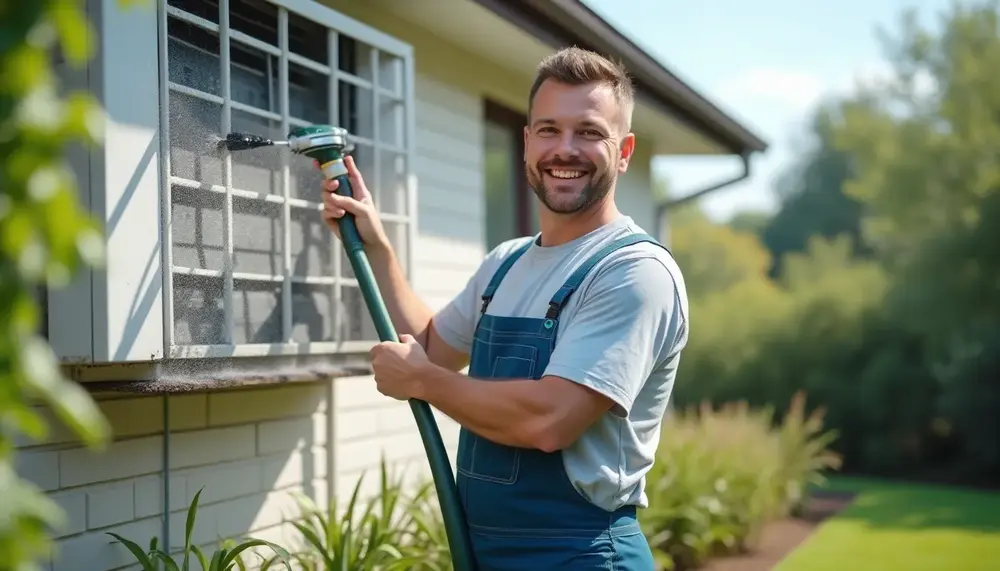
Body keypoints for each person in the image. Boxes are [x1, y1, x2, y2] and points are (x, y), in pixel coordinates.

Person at [320, 46, 689, 571]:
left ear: (624, 150)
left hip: (580, 556)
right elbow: (430, 352)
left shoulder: (634, 272)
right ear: (526, 142)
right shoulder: (506, 263)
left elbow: (550, 419)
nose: (565, 150)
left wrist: (422, 382)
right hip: (489, 553)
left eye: (588, 132)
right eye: (548, 130)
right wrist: (378, 247)